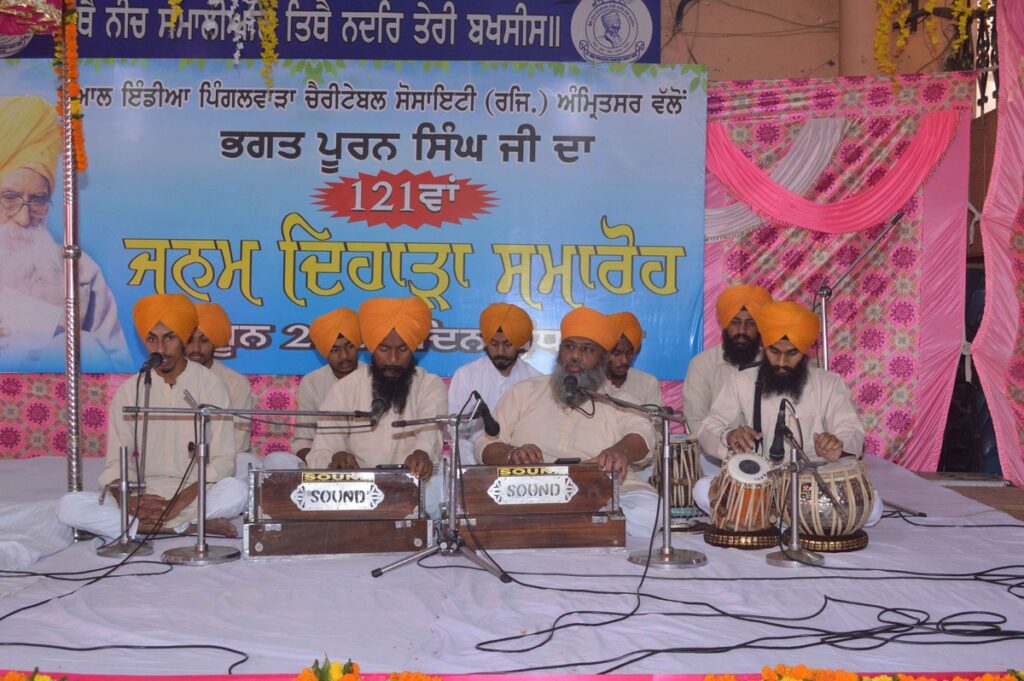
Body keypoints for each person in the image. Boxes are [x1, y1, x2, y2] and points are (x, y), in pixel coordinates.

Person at [57, 294, 245, 539]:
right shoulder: (130, 390)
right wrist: (129, 502)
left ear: (183, 338)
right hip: (143, 494)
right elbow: (117, 462)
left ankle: (140, 528)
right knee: (69, 506)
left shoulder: (210, 385)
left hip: (196, 492)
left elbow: (223, 461)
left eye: (170, 338)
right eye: (152, 339)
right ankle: (186, 528)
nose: (160, 349)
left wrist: (178, 502)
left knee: (237, 491)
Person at [476, 306, 658, 537]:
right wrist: (512, 455)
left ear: (603, 359)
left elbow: (643, 433)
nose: (575, 355)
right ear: (559, 351)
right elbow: (486, 443)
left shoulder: (620, 401)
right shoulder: (524, 392)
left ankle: (561, 518)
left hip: (603, 490)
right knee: (479, 500)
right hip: (531, 487)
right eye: (569, 346)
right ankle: (580, 521)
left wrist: (619, 452)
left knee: (650, 513)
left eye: (587, 349)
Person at [693, 301, 879, 524]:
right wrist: (729, 436)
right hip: (758, 485)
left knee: (874, 507)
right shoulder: (741, 382)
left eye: (792, 353)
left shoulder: (828, 384)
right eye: (774, 351)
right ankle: (779, 519)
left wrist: (837, 446)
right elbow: (708, 428)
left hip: (810, 489)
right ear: (764, 346)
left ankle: (776, 520)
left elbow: (852, 431)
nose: (782, 362)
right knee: (702, 489)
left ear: (805, 352)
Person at [0, 95, 129, 371]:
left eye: (38, 200)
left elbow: (118, 372)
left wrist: (66, 340)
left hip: (60, 397)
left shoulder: (80, 273)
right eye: (9, 198)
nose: (24, 218)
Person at [307, 297, 447, 487]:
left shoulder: (429, 385)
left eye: (403, 349)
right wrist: (335, 458)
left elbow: (429, 435)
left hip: (413, 484)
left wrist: (422, 453)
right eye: (383, 349)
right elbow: (321, 451)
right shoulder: (345, 388)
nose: (393, 359)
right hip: (356, 489)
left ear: (413, 348)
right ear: (372, 348)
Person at [447, 302, 542, 460]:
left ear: (520, 343)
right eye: (494, 344)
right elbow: (456, 432)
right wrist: (474, 465)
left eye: (508, 344)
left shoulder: (536, 380)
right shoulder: (466, 375)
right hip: (471, 463)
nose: (500, 352)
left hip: (520, 464)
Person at [683, 284, 772, 437]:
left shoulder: (772, 364)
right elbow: (697, 425)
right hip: (715, 451)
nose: (742, 331)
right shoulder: (702, 365)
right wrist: (728, 438)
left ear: (760, 327)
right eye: (735, 322)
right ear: (724, 324)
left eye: (751, 323)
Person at [292, 307, 365, 461]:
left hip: (368, 461)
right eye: (334, 350)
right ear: (324, 352)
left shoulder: (374, 378)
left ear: (358, 345)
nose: (344, 356)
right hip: (326, 461)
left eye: (349, 346)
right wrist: (326, 462)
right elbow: (303, 440)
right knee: (276, 459)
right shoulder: (312, 382)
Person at [187, 303, 254, 453]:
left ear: (215, 342)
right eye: (189, 341)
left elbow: (239, 442)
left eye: (204, 341)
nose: (196, 348)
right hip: (177, 459)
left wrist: (210, 460)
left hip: (224, 458)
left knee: (245, 460)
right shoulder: (168, 380)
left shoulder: (236, 383)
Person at [607, 311, 662, 407]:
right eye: (617, 353)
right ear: (604, 353)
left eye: (629, 353)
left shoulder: (648, 384)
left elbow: (654, 416)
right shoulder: (592, 384)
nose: (624, 360)